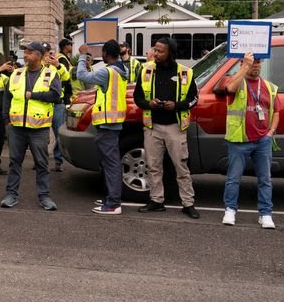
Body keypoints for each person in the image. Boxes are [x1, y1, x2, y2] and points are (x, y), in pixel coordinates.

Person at [133, 37, 200, 219]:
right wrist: (149, 103)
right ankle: (156, 201)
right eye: (155, 49)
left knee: (181, 167)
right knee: (153, 167)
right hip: (152, 126)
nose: (155, 53)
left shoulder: (185, 73)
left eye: (160, 51)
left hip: (175, 128)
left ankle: (188, 203)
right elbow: (137, 98)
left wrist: (176, 105)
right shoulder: (146, 70)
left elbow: (194, 99)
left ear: (170, 52)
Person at [221, 52, 280, 229]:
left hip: (263, 140)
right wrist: (244, 67)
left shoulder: (269, 87)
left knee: (265, 179)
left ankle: (265, 213)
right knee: (233, 178)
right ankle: (230, 210)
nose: (255, 65)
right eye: (251, 63)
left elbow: (276, 111)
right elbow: (230, 88)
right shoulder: (236, 82)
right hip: (240, 139)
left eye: (258, 62)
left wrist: (270, 133)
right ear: (242, 64)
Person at [0, 41, 62, 211]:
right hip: (16, 127)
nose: (25, 55)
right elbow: (8, 96)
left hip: (39, 128)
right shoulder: (17, 73)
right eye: (25, 52)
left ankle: (44, 197)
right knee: (14, 162)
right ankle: (11, 195)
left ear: (40, 56)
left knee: (41, 163)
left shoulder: (50, 73)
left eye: (29, 52)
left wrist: (33, 95)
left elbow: (56, 96)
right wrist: (6, 121)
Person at [77, 39, 128, 215]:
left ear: (106, 53)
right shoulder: (122, 70)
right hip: (113, 123)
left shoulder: (108, 72)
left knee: (111, 163)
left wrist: (83, 55)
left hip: (107, 124)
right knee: (109, 163)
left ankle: (113, 203)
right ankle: (110, 198)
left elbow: (82, 76)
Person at [44, 40, 73, 172]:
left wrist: (58, 65)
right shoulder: (38, 66)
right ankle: (41, 160)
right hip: (42, 105)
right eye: (44, 53)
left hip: (57, 104)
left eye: (48, 53)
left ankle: (58, 161)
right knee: (42, 135)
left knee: (59, 134)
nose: (47, 56)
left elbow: (66, 77)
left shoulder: (57, 64)